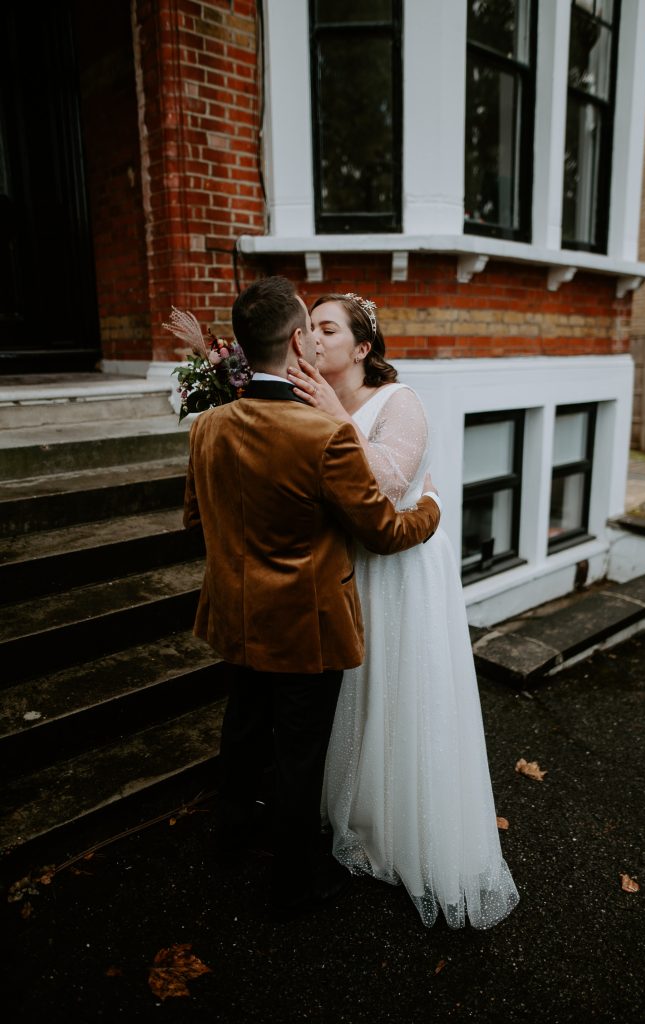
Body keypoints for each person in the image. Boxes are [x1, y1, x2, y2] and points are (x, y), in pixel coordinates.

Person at [182, 276, 441, 921]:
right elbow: (383, 531)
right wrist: (432, 510)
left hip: (235, 618)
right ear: (295, 340)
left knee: (242, 734)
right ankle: (295, 882)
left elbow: (196, 522)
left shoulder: (209, 425)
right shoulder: (322, 437)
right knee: (298, 757)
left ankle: (230, 840)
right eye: (313, 327)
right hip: (305, 625)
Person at [287, 292, 519, 929]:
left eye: (327, 328)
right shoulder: (302, 397)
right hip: (347, 565)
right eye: (308, 327)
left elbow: (388, 486)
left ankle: (414, 829)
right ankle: (363, 812)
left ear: (362, 348)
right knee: (360, 692)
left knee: (406, 693)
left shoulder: (400, 401)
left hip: (403, 566)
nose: (313, 336)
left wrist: (335, 413)